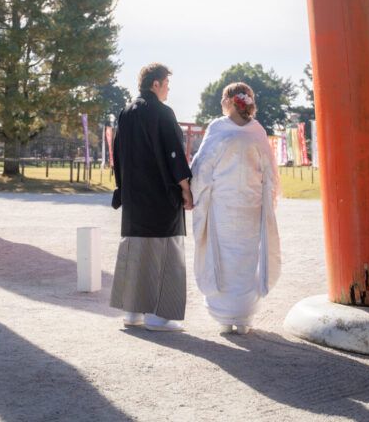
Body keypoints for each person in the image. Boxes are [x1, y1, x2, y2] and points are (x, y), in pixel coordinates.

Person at [190, 82, 280, 335]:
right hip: (251, 205)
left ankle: (225, 316)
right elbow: (270, 172)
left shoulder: (218, 128)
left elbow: (202, 167)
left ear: (229, 101)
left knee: (223, 255)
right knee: (247, 258)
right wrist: (267, 199)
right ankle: (244, 317)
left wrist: (196, 193)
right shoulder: (257, 131)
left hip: (223, 206)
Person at [109, 62, 194, 332]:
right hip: (160, 197)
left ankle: (132, 313)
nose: (168, 89)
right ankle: (159, 316)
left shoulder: (125, 113)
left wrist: (122, 189)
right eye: (166, 84)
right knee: (164, 254)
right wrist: (185, 188)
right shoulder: (162, 112)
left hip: (134, 198)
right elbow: (174, 155)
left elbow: (117, 156)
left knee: (135, 252)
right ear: (155, 84)